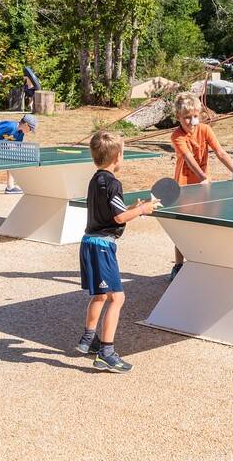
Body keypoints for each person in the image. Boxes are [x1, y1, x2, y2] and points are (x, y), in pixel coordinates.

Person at [75, 130, 160, 372]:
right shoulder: (113, 183)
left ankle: (88, 338)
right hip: (103, 246)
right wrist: (143, 210)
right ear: (118, 157)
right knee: (117, 298)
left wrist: (134, 206)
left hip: (88, 242)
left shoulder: (95, 180)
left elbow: (115, 210)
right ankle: (106, 352)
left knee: (100, 295)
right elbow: (120, 217)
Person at [168, 92, 233, 280]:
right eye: (187, 117)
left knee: (206, 225)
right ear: (178, 118)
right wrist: (203, 177)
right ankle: (179, 265)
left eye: (195, 116)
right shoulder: (177, 135)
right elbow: (189, 158)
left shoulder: (205, 129)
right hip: (184, 186)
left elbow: (220, 153)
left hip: (204, 186)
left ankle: (204, 262)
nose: (191, 121)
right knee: (183, 229)